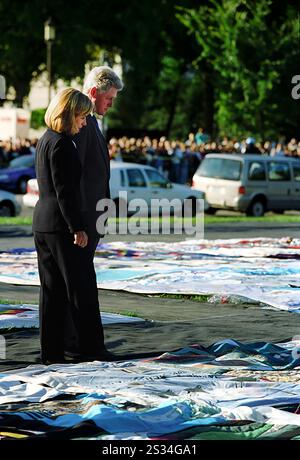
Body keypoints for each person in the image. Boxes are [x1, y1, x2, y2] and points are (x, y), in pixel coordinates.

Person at [33, 88, 93, 365]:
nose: (84, 122)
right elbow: (64, 192)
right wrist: (77, 228)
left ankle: (51, 354)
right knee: (75, 289)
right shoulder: (62, 144)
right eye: (82, 116)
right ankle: (83, 349)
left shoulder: (46, 139)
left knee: (51, 292)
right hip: (59, 226)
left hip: (43, 223)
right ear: (69, 114)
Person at [70, 66, 123, 360]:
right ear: (94, 93)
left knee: (84, 282)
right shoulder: (82, 124)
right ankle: (83, 345)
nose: (111, 104)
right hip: (83, 220)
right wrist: (78, 221)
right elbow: (75, 176)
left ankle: (85, 344)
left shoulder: (92, 124)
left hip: (92, 218)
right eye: (109, 98)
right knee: (80, 285)